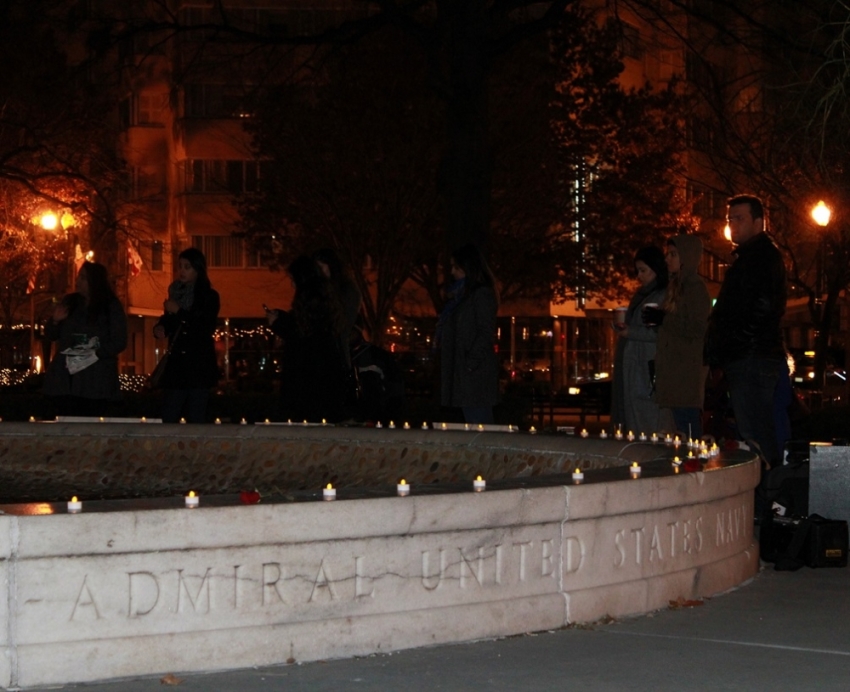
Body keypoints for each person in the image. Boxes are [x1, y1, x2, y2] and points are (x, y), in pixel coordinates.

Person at [705, 194, 787, 468]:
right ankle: (766, 494)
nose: (733, 225)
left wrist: (735, 342)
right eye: (730, 219)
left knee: (755, 431)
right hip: (748, 355)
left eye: (739, 218)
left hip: (752, 356)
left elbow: (763, 308)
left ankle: (769, 495)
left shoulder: (761, 258)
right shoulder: (752, 257)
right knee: (752, 429)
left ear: (759, 221)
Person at [267, 255, 348, 423]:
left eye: (293, 279)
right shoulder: (325, 295)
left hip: (307, 374)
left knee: (306, 420)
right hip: (324, 372)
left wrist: (278, 324)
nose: (292, 284)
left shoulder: (309, 298)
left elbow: (301, 334)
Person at [44, 261, 128, 417]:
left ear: (94, 281)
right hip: (66, 378)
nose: (78, 281)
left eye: (83, 278)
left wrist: (94, 352)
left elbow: (119, 340)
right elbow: (51, 334)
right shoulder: (71, 302)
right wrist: (55, 321)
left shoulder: (110, 306)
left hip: (96, 379)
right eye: (78, 277)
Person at [650, 235, 712, 438]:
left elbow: (697, 328)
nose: (667, 259)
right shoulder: (676, 287)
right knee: (680, 427)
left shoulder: (694, 288)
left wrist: (664, 319)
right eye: (668, 254)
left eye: (673, 254)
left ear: (687, 257)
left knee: (688, 428)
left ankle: (695, 466)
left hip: (684, 372)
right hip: (674, 371)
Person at [153, 248, 220, 423]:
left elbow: (204, 327)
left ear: (197, 269)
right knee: (169, 414)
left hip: (198, 366)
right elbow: (170, 321)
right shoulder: (175, 292)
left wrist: (179, 312)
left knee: (197, 417)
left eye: (187, 267)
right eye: (180, 266)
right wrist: (161, 327)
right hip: (177, 366)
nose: (182, 271)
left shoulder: (208, 297)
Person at [438, 244, 499, 425]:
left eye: (456, 267)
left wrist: (470, 363)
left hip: (473, 376)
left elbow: (485, 332)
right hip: (466, 373)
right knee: (473, 422)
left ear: (467, 268)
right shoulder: (463, 297)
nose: (452, 272)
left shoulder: (480, 295)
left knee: (479, 423)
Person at [610, 246, 668, 434]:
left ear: (656, 269)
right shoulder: (643, 294)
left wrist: (630, 332)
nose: (639, 276)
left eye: (643, 270)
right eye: (638, 271)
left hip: (645, 366)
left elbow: (657, 332)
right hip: (634, 364)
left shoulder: (662, 295)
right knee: (632, 413)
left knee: (644, 415)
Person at [313, 248, 362, 369]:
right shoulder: (322, 290)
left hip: (336, 356)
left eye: (321, 267)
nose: (318, 272)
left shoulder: (346, 290)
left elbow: (341, 327)